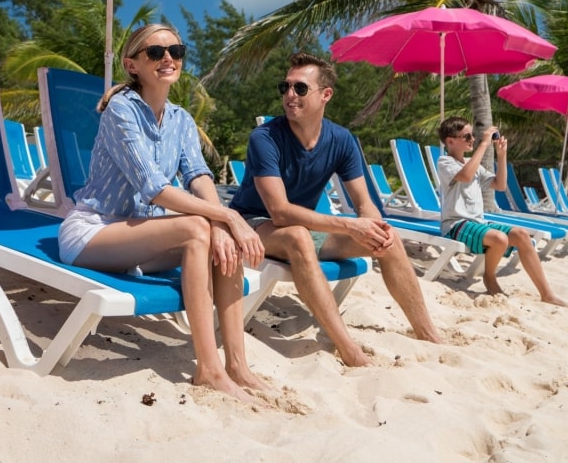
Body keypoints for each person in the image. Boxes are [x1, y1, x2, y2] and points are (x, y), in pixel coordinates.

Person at [57, 24, 270, 404]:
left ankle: (236, 364)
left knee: (222, 240)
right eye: (155, 52)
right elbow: (153, 188)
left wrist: (223, 222)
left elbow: (198, 175)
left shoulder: (181, 119)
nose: (168, 57)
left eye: (176, 50)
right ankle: (208, 369)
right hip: (94, 232)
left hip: (141, 236)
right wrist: (229, 217)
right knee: (198, 228)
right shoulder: (121, 110)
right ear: (132, 65)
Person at [229, 53, 442, 367]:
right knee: (299, 237)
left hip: (299, 229)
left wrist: (374, 227)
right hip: (252, 226)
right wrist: (349, 226)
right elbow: (280, 212)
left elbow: (364, 203)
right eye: (285, 87)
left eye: (300, 88)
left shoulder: (342, 140)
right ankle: (350, 351)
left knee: (390, 237)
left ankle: (428, 333)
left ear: (325, 94)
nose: (289, 95)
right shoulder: (265, 138)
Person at [436, 116, 566, 306]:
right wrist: (484, 144)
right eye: (467, 136)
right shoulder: (445, 162)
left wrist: (501, 155)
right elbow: (465, 176)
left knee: (522, 235)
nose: (473, 139)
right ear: (450, 141)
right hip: (456, 224)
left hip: (477, 223)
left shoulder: (474, 165)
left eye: (473, 135)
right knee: (500, 239)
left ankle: (547, 293)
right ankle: (489, 277)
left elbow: (500, 184)